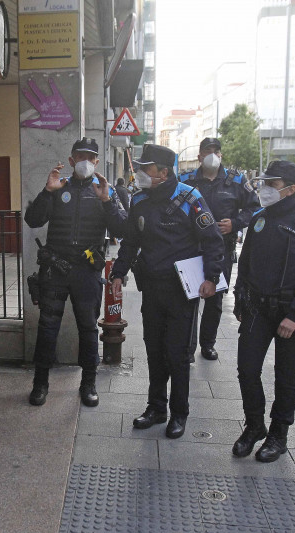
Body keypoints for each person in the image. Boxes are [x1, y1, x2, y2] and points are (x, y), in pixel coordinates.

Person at [110, 144, 225, 439]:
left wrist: (212, 277)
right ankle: (156, 407)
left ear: (164, 172)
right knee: (154, 350)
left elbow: (212, 240)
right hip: (152, 288)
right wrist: (119, 272)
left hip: (181, 291)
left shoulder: (190, 198)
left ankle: (179, 413)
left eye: (146, 169)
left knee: (177, 354)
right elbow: (130, 241)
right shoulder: (140, 199)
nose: (140, 174)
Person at [231, 161, 295, 463]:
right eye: (265, 183)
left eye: (272, 184)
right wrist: (239, 299)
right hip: (257, 308)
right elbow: (245, 263)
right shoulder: (260, 218)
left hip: (291, 313)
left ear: (291, 189)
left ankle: (279, 432)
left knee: (286, 375)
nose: (265, 189)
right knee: (247, 369)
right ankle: (255, 425)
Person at [24, 137, 127, 407]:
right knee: (47, 327)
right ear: (71, 160)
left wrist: (107, 202)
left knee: (88, 328)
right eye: (79, 156)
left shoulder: (105, 191)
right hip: (55, 270)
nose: (85, 161)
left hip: (86, 271)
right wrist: (47, 192)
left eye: (90, 157)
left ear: (96, 161)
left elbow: (121, 230)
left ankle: (88, 383)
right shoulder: (59, 187)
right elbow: (33, 220)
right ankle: (40, 383)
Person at [181, 137, 260, 361]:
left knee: (214, 300)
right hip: (190, 248)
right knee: (189, 299)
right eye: (208, 151)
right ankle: (187, 346)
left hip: (221, 250)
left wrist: (234, 223)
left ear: (221, 155)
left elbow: (254, 208)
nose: (212, 155)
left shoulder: (236, 181)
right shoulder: (186, 180)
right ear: (199, 155)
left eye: (216, 151)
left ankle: (208, 343)